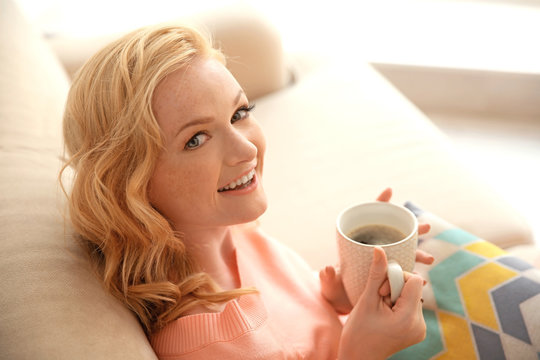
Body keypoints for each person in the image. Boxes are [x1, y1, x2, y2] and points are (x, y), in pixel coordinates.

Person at [60, 24, 434, 359]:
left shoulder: (226, 229)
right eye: (197, 139)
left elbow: (297, 333)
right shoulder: (209, 347)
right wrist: (365, 351)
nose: (247, 150)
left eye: (239, 113)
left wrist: (339, 298)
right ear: (132, 182)